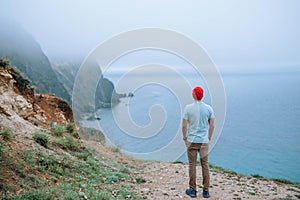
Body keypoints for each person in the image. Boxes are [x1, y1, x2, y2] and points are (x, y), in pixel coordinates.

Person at [182, 86, 215, 198]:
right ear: (202, 95)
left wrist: (184, 137)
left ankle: (193, 190)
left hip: (191, 140)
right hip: (204, 141)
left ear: (193, 95)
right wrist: (209, 137)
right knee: (204, 165)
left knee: (192, 165)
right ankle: (206, 191)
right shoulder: (209, 108)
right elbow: (212, 125)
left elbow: (184, 125)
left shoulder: (188, 108)